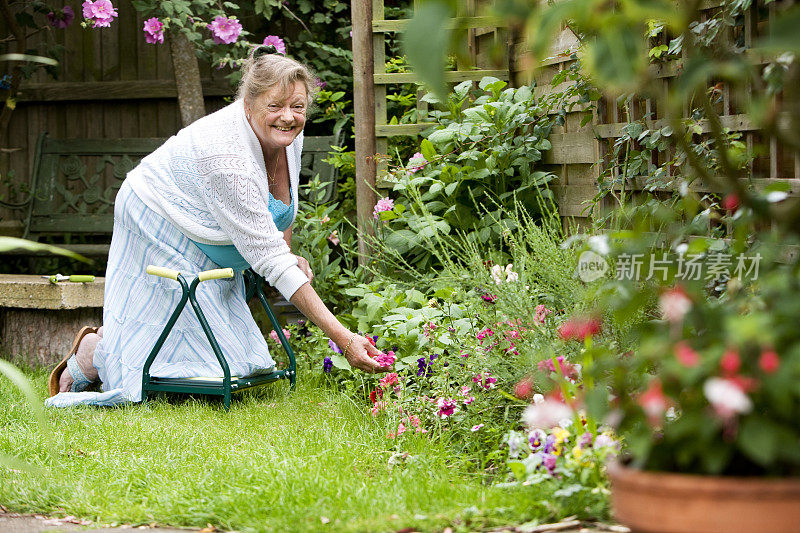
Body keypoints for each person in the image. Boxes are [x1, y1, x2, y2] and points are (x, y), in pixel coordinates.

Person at [46, 47, 385, 407]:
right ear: (248, 105)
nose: (288, 117)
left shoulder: (288, 136)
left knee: (234, 369)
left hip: (207, 221)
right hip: (156, 210)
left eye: (297, 106)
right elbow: (268, 259)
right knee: (178, 373)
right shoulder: (226, 158)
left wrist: (286, 252)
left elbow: (279, 212)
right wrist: (344, 339)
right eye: (275, 106)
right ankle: (93, 353)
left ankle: (103, 348)